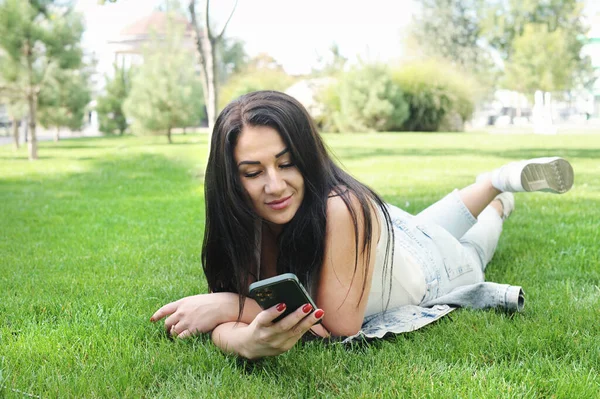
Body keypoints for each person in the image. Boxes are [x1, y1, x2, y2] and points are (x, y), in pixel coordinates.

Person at [150, 91, 574, 359]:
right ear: (231, 178)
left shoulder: (340, 207)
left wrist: (228, 307)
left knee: (473, 251)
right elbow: (238, 323)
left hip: (428, 269)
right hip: (387, 242)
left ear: (307, 156)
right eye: (253, 171)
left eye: (286, 163)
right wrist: (242, 340)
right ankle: (494, 184)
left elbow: (336, 327)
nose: (274, 185)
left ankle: (499, 197)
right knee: (430, 224)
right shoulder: (243, 220)